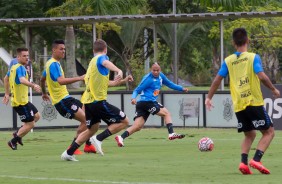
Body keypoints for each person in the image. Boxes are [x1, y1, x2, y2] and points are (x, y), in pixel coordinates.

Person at [205, 28, 280, 175]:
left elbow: (217, 79)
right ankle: (256, 160)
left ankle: (244, 163)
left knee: (249, 134)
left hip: (239, 105)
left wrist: (208, 97)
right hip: (253, 102)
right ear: (248, 40)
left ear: (234, 43)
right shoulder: (253, 57)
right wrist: (273, 89)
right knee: (269, 132)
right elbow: (262, 76)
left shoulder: (228, 60)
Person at [61, 39, 133, 161]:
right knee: (125, 121)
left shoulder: (92, 64)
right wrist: (118, 70)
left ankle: (68, 153)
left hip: (89, 103)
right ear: (105, 50)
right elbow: (105, 62)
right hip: (98, 102)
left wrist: (123, 80)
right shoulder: (101, 58)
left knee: (91, 129)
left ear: (93, 50)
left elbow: (108, 83)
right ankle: (98, 139)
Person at [40, 39, 96, 154]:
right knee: (87, 120)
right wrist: (80, 78)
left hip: (67, 98)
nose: (63, 51)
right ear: (54, 50)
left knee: (90, 116)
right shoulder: (54, 64)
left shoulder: (50, 63)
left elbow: (42, 79)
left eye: (64, 49)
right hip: (62, 102)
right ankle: (73, 147)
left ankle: (88, 145)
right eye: (61, 49)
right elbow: (60, 81)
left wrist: (44, 93)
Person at [115, 62, 189, 147]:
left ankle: (121, 137)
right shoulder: (148, 79)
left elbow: (170, 84)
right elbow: (137, 90)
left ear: (160, 70)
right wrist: (133, 98)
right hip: (146, 102)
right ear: (151, 70)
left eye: (157, 70)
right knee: (166, 113)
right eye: (154, 70)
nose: (156, 72)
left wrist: (181, 88)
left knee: (137, 126)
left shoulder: (161, 76)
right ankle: (171, 133)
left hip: (145, 103)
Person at [2, 48, 41, 150]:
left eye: (27, 56)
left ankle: (18, 134)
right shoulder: (20, 68)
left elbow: (6, 79)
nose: (26, 58)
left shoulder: (13, 67)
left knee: (37, 116)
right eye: (24, 56)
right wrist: (33, 85)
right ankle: (13, 141)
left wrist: (7, 93)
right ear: (18, 57)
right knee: (31, 124)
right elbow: (22, 80)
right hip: (20, 102)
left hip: (24, 101)